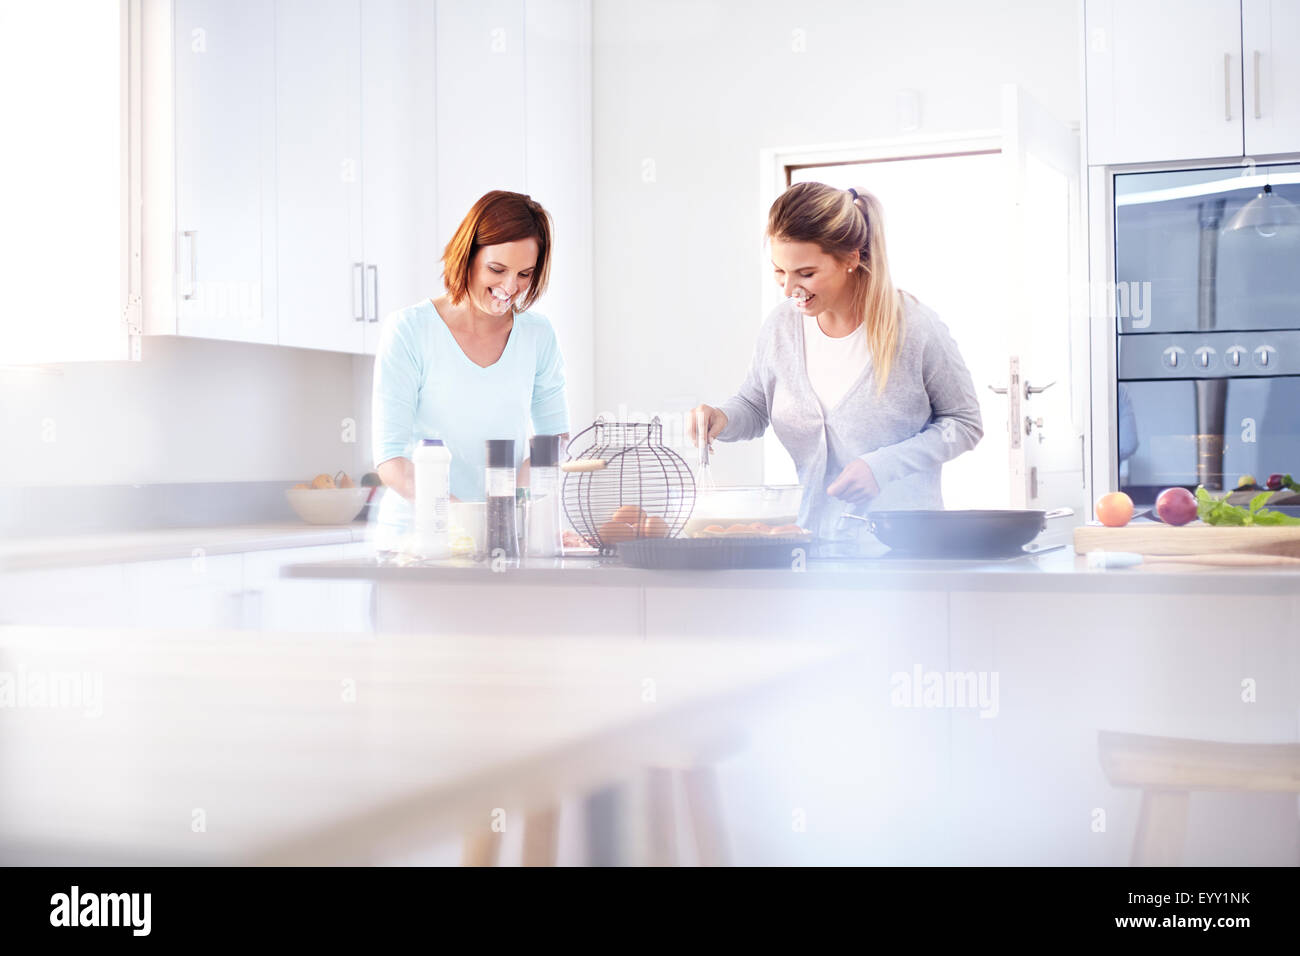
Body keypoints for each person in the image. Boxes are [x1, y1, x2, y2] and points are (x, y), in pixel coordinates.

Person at [689, 182, 983, 553]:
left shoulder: (914, 328)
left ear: (850, 258)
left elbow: (964, 422)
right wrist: (721, 418)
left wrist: (883, 466)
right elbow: (755, 404)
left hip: (904, 552)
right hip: (812, 546)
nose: (789, 289)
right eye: (780, 271)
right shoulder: (781, 327)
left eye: (806, 273)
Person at [371, 190, 570, 550]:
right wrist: (462, 520)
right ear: (468, 255)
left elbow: (551, 442)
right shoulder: (409, 330)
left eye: (524, 274)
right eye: (497, 269)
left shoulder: (538, 336)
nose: (510, 288)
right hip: (415, 542)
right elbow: (391, 458)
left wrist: (513, 513)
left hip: (501, 539)